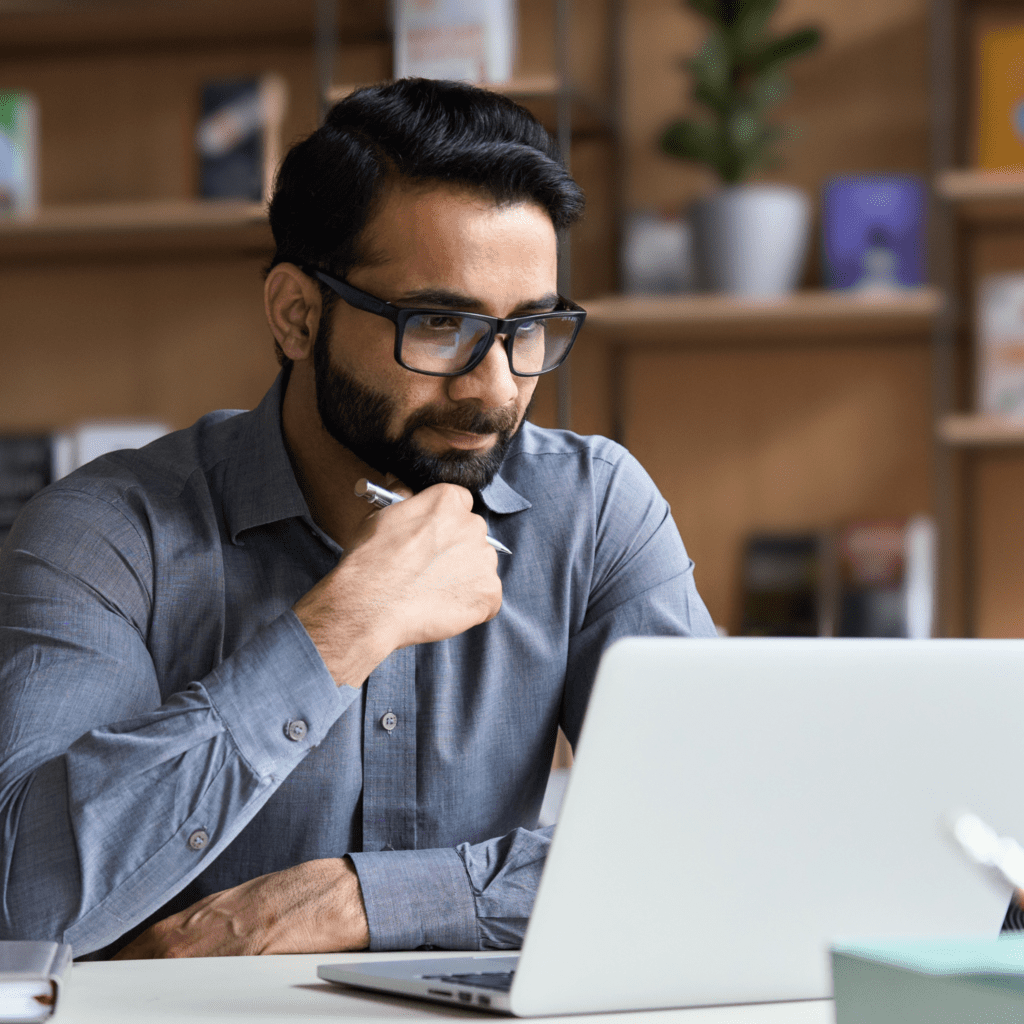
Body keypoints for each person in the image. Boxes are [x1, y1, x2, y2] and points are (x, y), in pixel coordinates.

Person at [0, 78, 715, 959]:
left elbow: (723, 835)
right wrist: (339, 630)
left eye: (529, 329)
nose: (495, 390)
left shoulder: (595, 507)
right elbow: (22, 907)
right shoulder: (105, 534)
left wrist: (354, 901)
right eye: (440, 324)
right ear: (298, 315)